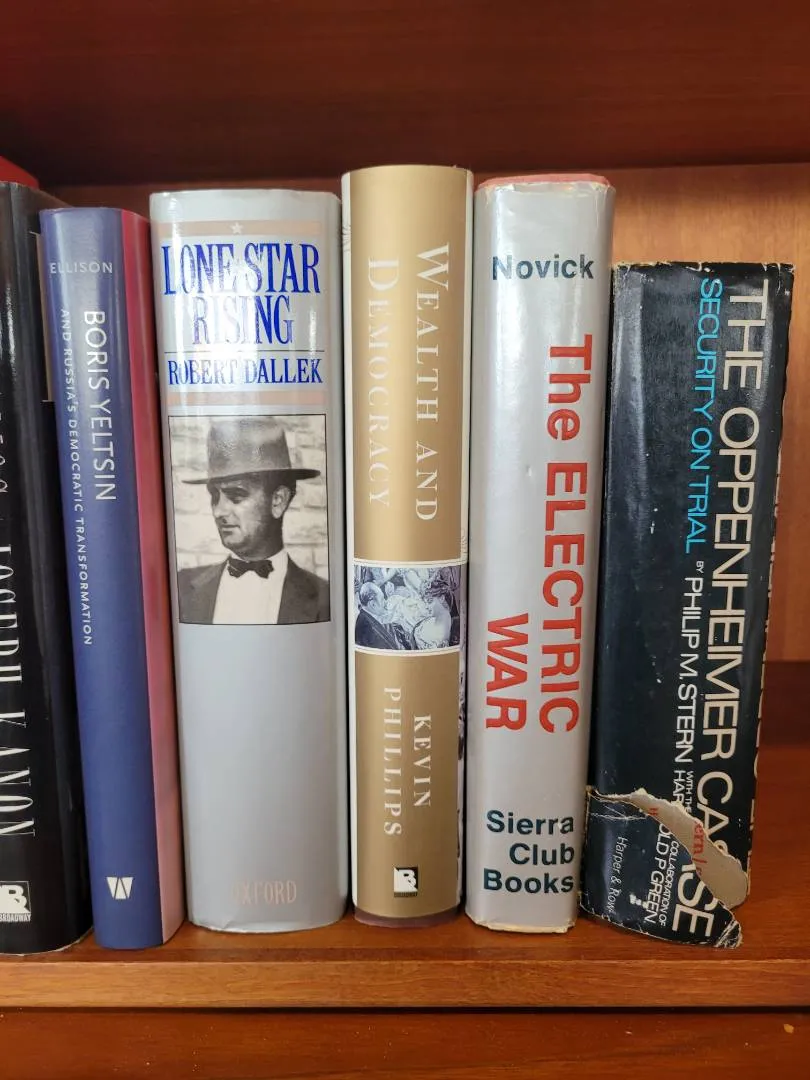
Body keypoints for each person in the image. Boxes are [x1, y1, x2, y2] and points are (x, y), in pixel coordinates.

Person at [177, 417, 329, 625]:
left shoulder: (325, 599)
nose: (219, 511)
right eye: (214, 496)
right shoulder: (183, 587)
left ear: (278, 501)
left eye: (236, 496)